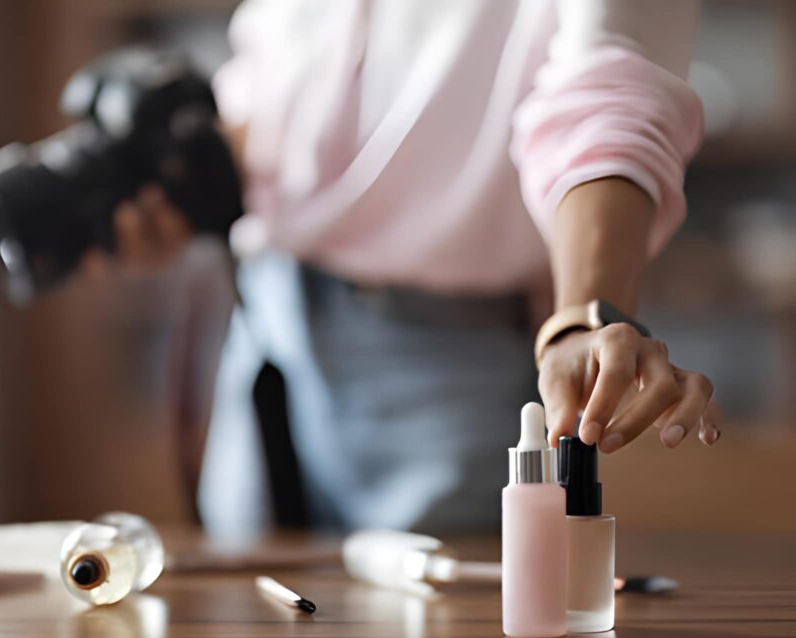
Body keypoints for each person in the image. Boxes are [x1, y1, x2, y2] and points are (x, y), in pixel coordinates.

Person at [87, 0, 720, 536]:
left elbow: (610, 96)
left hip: (444, 360)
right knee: (255, 626)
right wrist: (184, 180)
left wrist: (587, 316)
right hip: (266, 320)